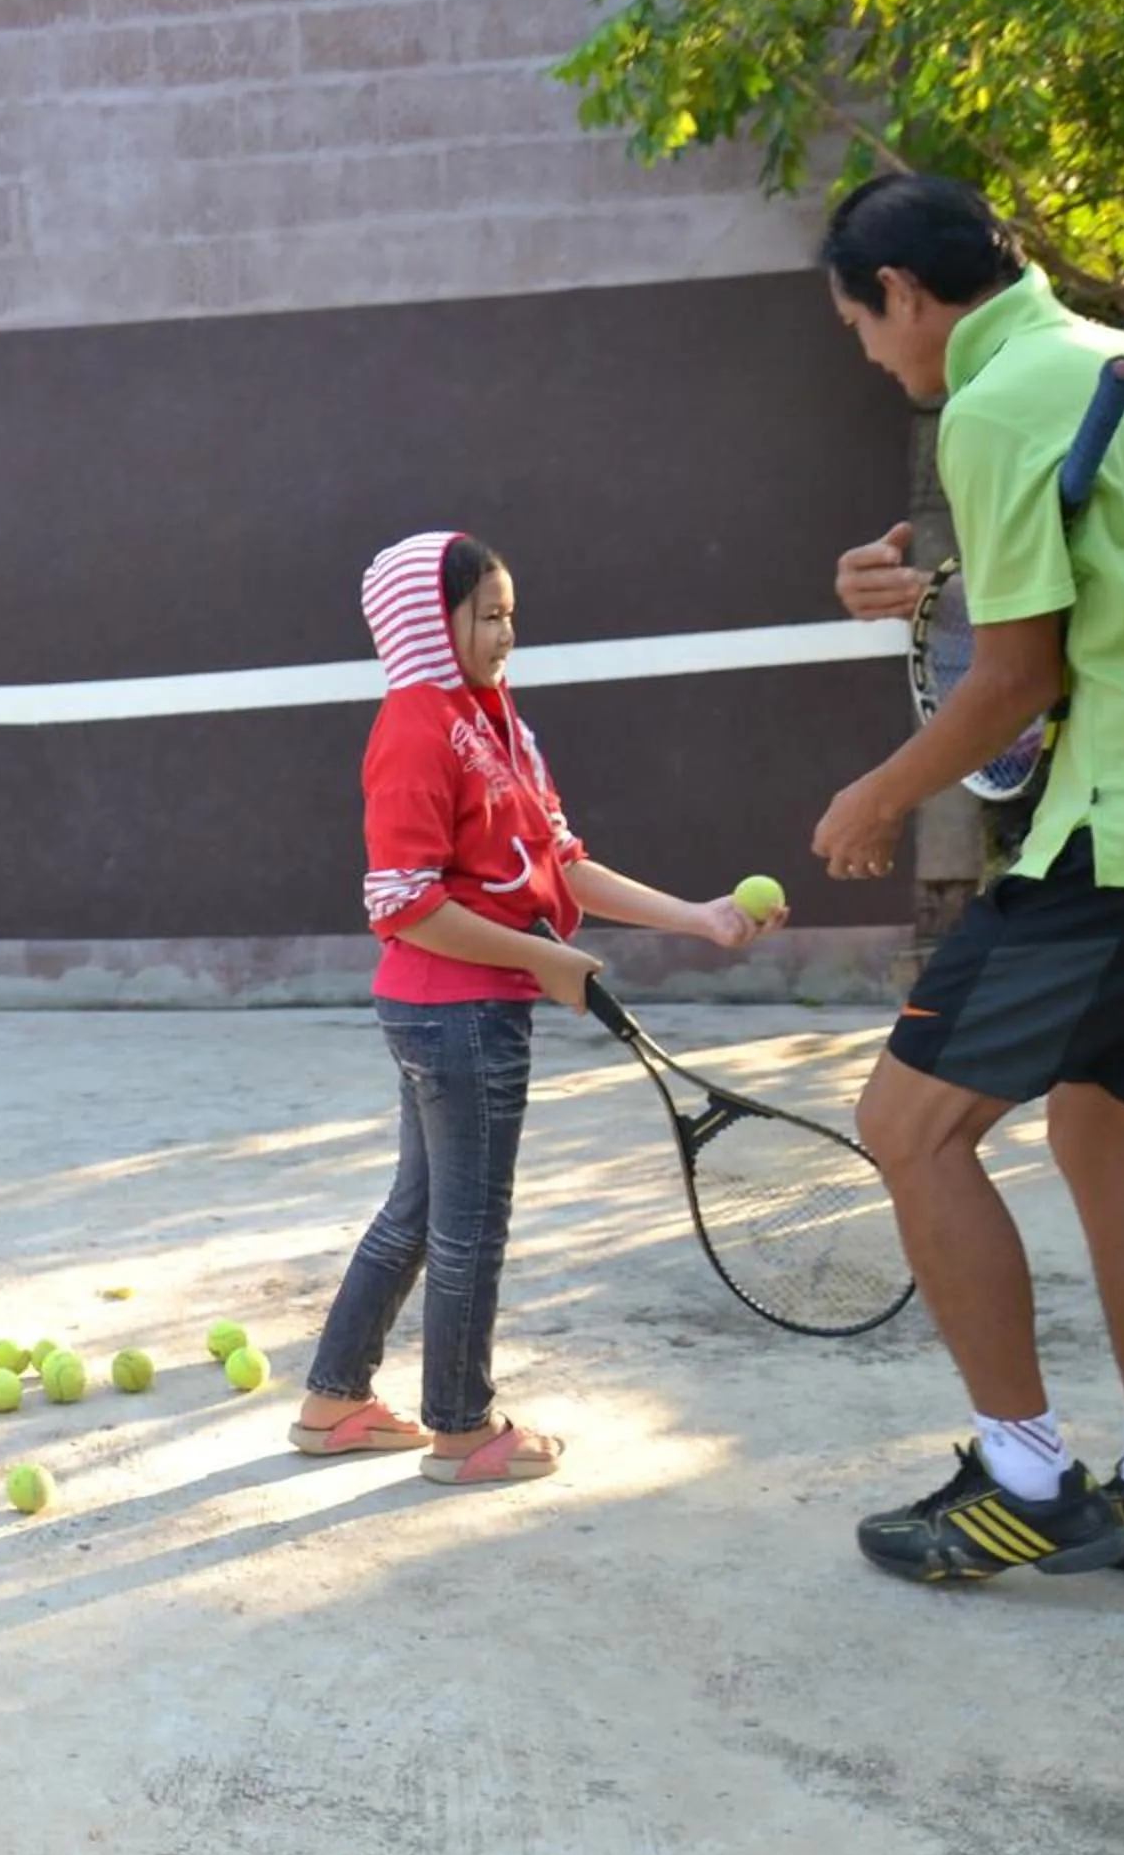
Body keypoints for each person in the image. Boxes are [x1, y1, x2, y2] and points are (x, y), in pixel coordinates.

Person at [288, 531, 772, 1484]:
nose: (509, 631)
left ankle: (334, 1403)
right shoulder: (417, 729)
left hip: (464, 1011)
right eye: (490, 614)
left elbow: (564, 863)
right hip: (455, 1016)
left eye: (512, 612)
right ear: (433, 621)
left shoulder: (496, 721)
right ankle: (463, 1432)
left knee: (422, 1215)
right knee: (470, 1227)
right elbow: (404, 904)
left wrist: (702, 921)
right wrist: (537, 960)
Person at [806, 172, 1124, 1581]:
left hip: (1108, 844)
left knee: (908, 1127)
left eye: (862, 331)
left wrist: (875, 797)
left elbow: (1021, 677)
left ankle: (1025, 1477)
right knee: (1099, 1131)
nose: (875, 361)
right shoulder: (1100, 359)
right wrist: (921, 589)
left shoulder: (992, 407)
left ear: (904, 295)